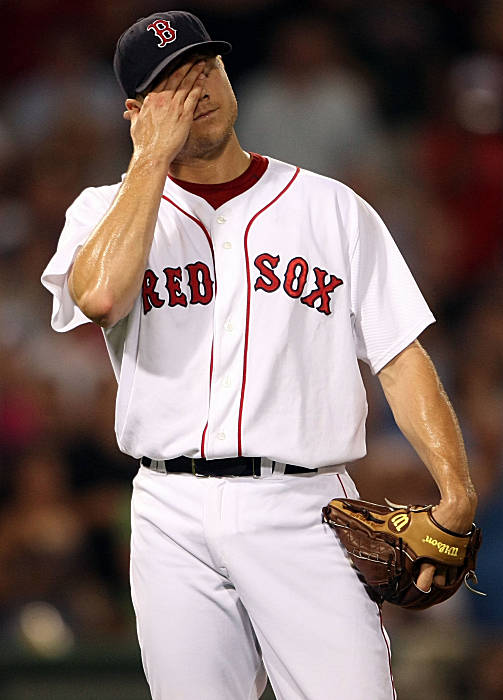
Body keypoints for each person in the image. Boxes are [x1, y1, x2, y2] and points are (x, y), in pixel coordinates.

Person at [41, 11, 477, 700]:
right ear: (134, 111)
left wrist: (456, 490)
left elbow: (399, 354)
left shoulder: (330, 208)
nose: (196, 92)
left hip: (301, 503)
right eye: (170, 85)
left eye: (203, 70)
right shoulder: (102, 213)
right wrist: (150, 158)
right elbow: (99, 296)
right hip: (168, 508)